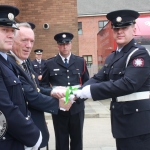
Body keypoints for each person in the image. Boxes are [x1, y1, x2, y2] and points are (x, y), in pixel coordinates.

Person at [72, 10, 150, 150]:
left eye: (124, 28)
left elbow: (128, 84)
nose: (120, 32)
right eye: (116, 28)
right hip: (122, 122)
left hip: (138, 124)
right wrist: (77, 93)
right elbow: (98, 78)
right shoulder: (112, 57)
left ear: (133, 29)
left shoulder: (139, 54)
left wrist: (89, 92)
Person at [8, 23, 72, 149]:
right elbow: (28, 94)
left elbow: (35, 88)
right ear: (12, 40)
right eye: (24, 40)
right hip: (22, 134)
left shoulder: (25, 61)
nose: (29, 46)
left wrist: (52, 91)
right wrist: (58, 104)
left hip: (35, 126)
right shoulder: (9, 63)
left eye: (32, 41)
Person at [0, 5, 42, 150]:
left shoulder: (6, 62)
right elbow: (4, 107)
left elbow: (20, 100)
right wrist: (33, 136)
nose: (11, 35)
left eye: (12, 30)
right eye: (4, 30)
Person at [41, 32, 89, 150]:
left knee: (77, 140)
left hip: (77, 107)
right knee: (61, 140)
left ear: (71, 45)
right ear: (58, 45)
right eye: (61, 44)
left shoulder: (80, 61)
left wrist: (79, 97)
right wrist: (52, 93)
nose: (65, 46)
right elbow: (43, 85)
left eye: (67, 43)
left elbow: (87, 84)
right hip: (58, 108)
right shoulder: (49, 63)